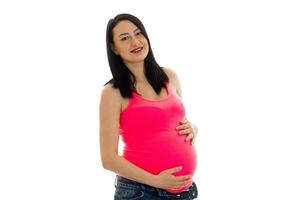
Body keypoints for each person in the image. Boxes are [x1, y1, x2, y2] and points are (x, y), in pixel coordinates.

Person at [99, 13, 199, 200]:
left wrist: (193, 128)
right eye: (125, 38)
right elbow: (108, 159)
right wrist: (156, 181)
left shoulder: (169, 76)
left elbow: (173, 124)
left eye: (138, 34)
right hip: (141, 192)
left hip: (184, 191)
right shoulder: (113, 92)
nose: (135, 42)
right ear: (114, 48)